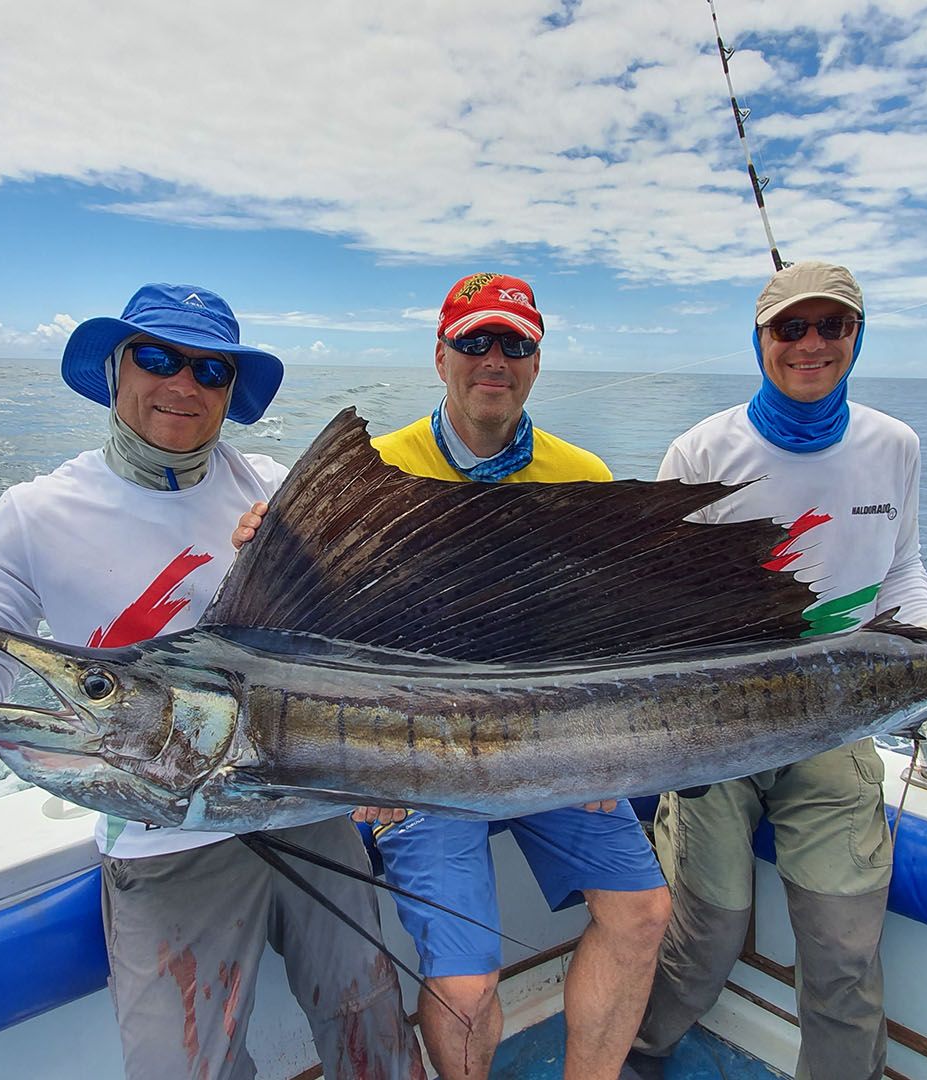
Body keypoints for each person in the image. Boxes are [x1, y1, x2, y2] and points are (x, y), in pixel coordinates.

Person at [0, 283, 423, 1080]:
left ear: (231, 391)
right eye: (156, 358)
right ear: (116, 369)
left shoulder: (275, 485)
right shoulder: (33, 512)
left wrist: (329, 568)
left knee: (375, 1033)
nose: (182, 384)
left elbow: (364, 643)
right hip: (164, 843)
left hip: (305, 803)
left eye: (211, 369)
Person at [627, 261, 927, 1080]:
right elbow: (655, 611)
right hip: (713, 730)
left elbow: (901, 572)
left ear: (857, 337)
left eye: (831, 326)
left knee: (841, 950)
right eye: (789, 328)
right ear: (760, 341)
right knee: (709, 933)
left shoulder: (893, 444)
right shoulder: (701, 448)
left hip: (836, 724)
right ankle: (636, 1050)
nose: (810, 344)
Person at [324, 272, 672, 1080]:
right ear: (440, 355)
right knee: (468, 984)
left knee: (643, 913)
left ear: (537, 362)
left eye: (514, 344)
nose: (494, 359)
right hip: (415, 757)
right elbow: (324, 636)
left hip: (555, 747)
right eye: (475, 341)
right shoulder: (372, 472)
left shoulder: (581, 475)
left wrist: (607, 746)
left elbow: (616, 634)